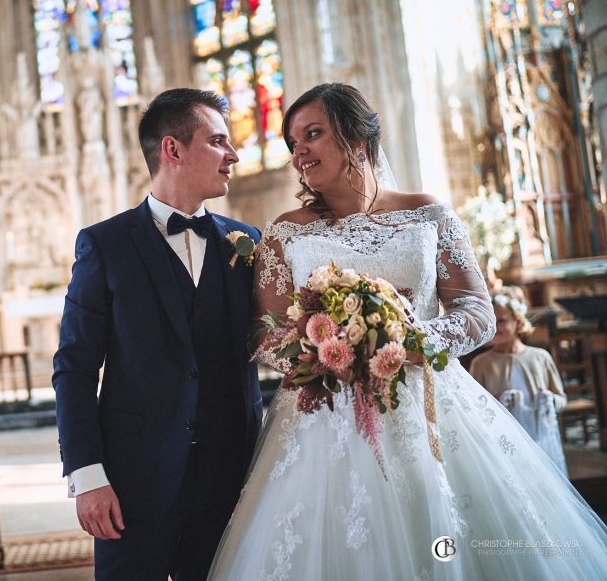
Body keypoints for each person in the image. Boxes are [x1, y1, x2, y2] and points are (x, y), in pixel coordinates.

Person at [208, 83, 607, 579]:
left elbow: (475, 309)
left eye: (313, 134)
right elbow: (266, 333)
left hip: (428, 400)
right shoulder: (284, 232)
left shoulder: (427, 213)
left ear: (356, 137)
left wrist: (412, 341)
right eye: (293, 143)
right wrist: (335, 353)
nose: (299, 152)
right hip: (324, 415)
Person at [53, 88, 263, 580]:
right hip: (131, 485)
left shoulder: (248, 243)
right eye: (218, 141)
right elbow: (75, 368)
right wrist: (88, 477)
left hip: (231, 479)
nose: (233, 155)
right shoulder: (104, 245)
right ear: (173, 149)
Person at [470, 285, 568, 473]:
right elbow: (474, 409)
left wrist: (549, 400)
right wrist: (495, 403)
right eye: (490, 321)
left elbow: (561, 399)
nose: (495, 327)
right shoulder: (481, 363)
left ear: (518, 320)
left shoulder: (540, 358)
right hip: (506, 443)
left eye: (502, 321)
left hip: (540, 438)